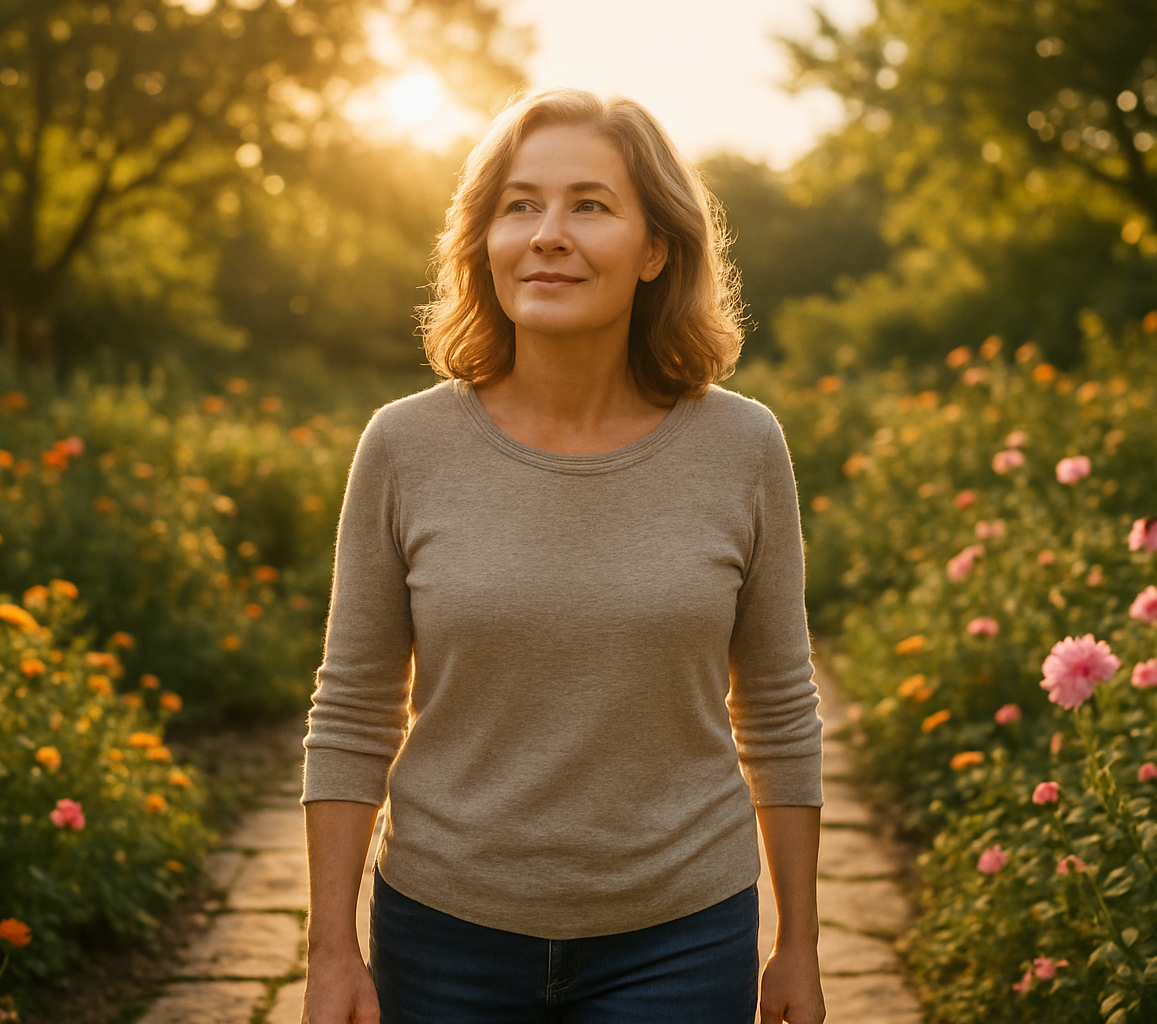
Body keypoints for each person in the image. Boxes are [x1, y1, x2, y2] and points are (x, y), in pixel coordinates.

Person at [299, 88, 828, 1024]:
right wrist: (331, 950)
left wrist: (798, 948)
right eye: (519, 204)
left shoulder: (743, 448)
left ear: (656, 248)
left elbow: (780, 712)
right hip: (442, 932)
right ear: (485, 242)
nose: (547, 233)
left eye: (590, 203)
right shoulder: (403, 447)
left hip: (682, 934)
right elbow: (351, 711)